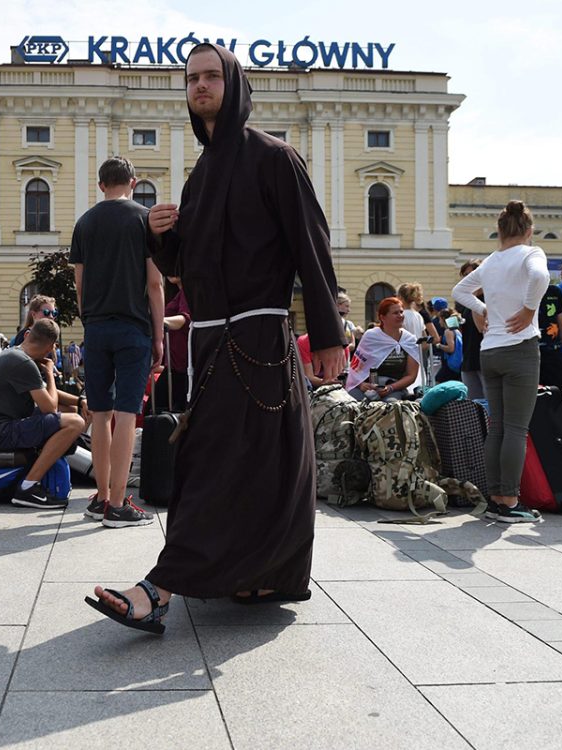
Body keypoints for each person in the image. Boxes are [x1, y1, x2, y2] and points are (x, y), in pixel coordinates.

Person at [86, 43, 346, 632]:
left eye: (211, 76)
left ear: (233, 84)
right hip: (210, 344)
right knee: (254, 464)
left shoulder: (274, 157)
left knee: (211, 463)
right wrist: (161, 240)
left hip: (258, 339)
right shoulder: (201, 175)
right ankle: (258, 576)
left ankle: (160, 588)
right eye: (192, 78)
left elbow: (313, 245)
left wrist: (328, 333)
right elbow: (193, 271)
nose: (199, 85)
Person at [70, 155, 165, 528]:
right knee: (127, 415)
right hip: (132, 327)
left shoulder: (84, 222)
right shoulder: (143, 220)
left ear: (100, 185)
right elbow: (154, 285)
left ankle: (101, 498)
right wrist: (158, 335)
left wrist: (89, 319)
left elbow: (79, 283)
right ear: (133, 182)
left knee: (101, 413)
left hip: (96, 328)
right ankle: (120, 503)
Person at [453, 200, 549, 523]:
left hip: (489, 350)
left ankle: (495, 497)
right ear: (529, 230)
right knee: (516, 429)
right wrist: (529, 309)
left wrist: (481, 311)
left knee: (496, 427)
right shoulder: (531, 253)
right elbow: (540, 277)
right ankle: (509, 500)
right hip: (520, 348)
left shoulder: (492, 261)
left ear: (499, 231)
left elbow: (460, 290)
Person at [0, 318, 87, 510]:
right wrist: (50, 372)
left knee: (71, 411)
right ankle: (27, 487)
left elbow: (44, 393)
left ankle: (42, 465)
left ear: (28, 335)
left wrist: (80, 401)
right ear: (51, 347)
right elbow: (49, 406)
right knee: (75, 423)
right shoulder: (23, 363)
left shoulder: (15, 354)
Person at [344, 297, 422, 401]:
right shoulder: (371, 336)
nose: (400, 316)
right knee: (352, 403)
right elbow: (356, 367)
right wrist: (361, 384)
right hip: (367, 387)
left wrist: (391, 388)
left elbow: (411, 375)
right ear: (383, 317)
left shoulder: (409, 340)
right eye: (395, 313)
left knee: (389, 407)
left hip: (395, 388)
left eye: (401, 312)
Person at [156, 276, 191, 412]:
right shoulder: (176, 294)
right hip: (174, 366)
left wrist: (158, 321)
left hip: (184, 367)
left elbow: (185, 319)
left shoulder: (188, 291)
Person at [455, 261, 485, 398]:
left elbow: (481, 328)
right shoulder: (465, 302)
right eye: (464, 275)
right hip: (468, 358)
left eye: (470, 274)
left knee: (489, 403)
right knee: (473, 404)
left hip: (484, 359)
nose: (467, 279)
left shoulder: (487, 298)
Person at [536, 283, 562, 389]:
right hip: (529, 355)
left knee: (557, 395)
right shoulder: (520, 289)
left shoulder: (554, 291)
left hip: (553, 355)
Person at [397, 283, 428, 390]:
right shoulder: (418, 315)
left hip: (404, 359)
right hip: (417, 357)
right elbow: (425, 340)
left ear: (400, 297)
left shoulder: (400, 316)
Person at [427, 298, 463, 384]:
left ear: (443, 319)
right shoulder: (456, 330)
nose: (439, 322)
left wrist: (439, 345)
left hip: (450, 364)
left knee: (437, 382)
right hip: (458, 363)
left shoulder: (448, 331)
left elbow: (451, 348)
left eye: (439, 319)